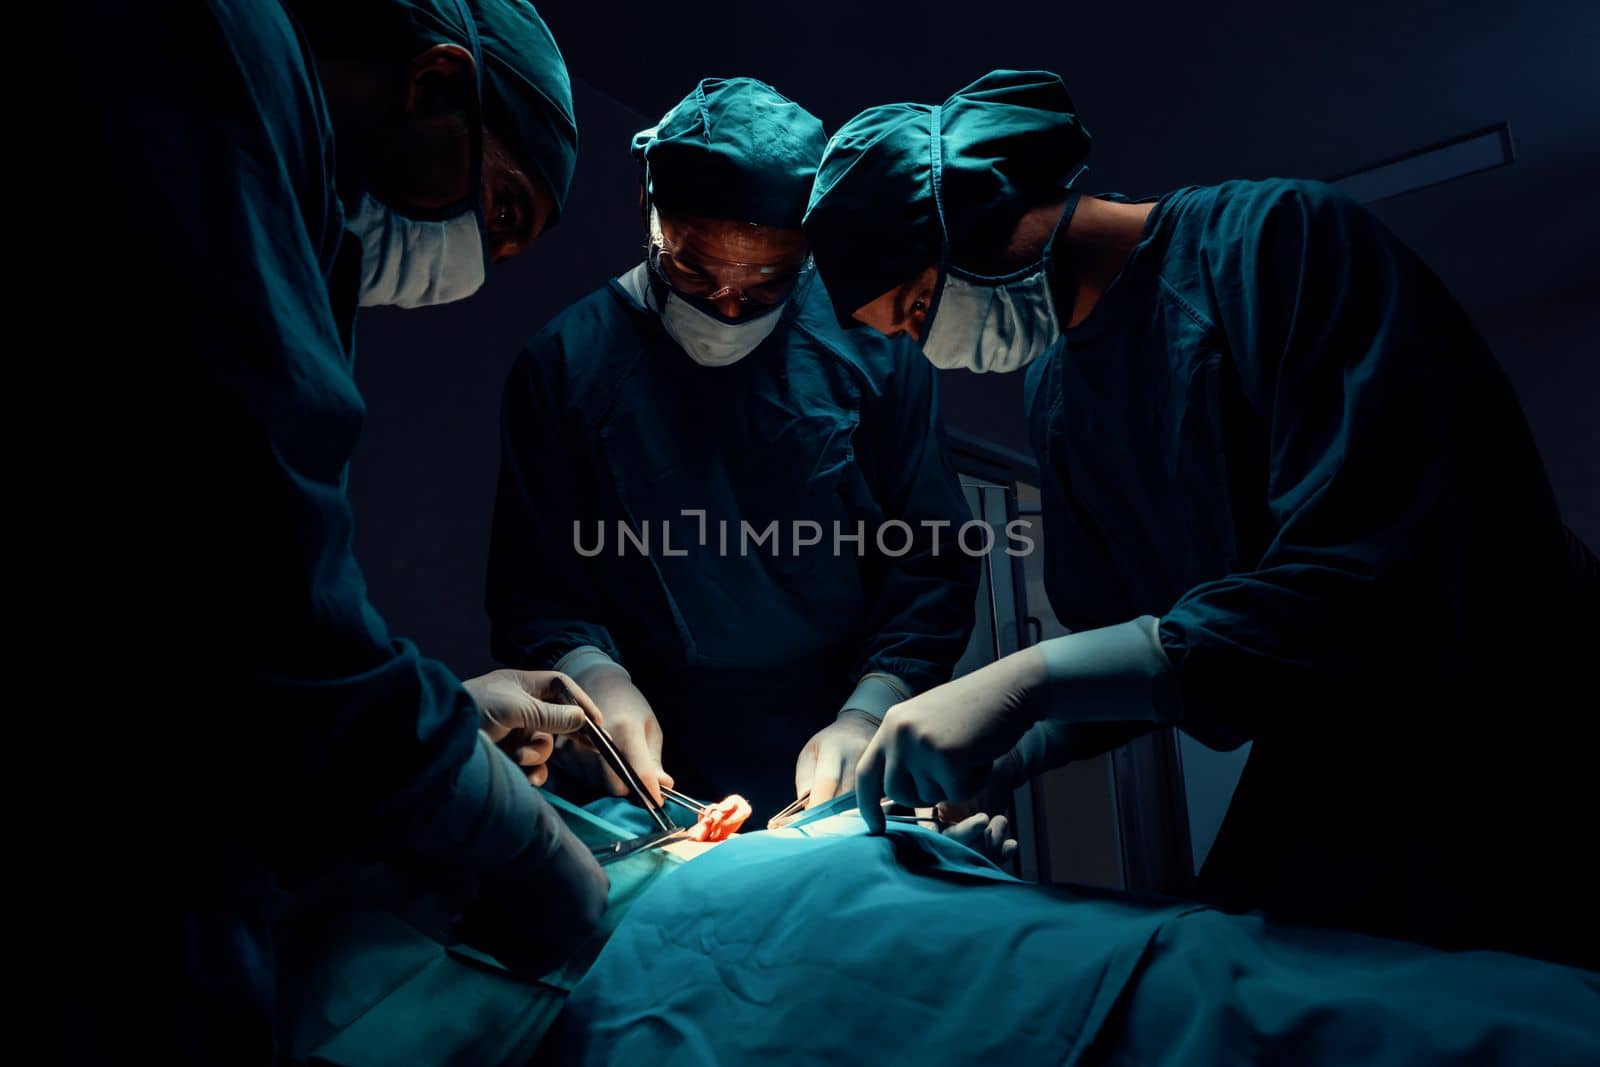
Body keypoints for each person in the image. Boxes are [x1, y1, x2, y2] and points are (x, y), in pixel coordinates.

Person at [803, 70, 1593, 965]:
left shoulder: (1279, 243)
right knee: (1239, 973)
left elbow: (1376, 578)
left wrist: (1032, 680)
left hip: (1516, 711)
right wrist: (1022, 740)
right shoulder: (1057, 391)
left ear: (981, 219)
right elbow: (1150, 646)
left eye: (915, 309)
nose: (925, 345)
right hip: (1327, 740)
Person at [62, 1, 609, 1059]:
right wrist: (490, 809)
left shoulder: (286, 168)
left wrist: (439, 708)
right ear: (433, 84)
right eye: (500, 212)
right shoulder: (208, 48)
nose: (483, 265)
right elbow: (244, 562)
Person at [487, 77, 980, 819]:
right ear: (648, 215)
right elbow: (537, 583)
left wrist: (874, 704)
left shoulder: (875, 348)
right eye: (692, 269)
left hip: (839, 744)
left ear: (810, 250)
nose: (726, 303)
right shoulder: (566, 365)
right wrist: (595, 676)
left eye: (765, 283)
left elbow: (930, 556)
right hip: (638, 767)